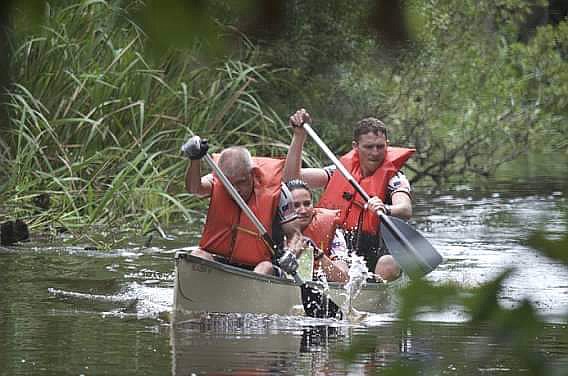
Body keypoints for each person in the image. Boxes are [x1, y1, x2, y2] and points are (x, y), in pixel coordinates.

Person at [284, 109, 415, 282]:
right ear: (355, 147)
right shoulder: (339, 171)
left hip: (376, 253)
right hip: (341, 251)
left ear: (387, 145)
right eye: (369, 147)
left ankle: (374, 293)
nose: (375, 152)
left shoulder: (395, 178)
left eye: (380, 146)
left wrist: (386, 208)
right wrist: (299, 136)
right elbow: (292, 179)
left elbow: (405, 209)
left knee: (388, 263)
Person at [182, 136, 286, 276]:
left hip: (261, 267)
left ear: (252, 174)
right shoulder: (217, 179)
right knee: (197, 255)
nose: (236, 189)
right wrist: (194, 159)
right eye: (230, 184)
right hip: (223, 260)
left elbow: (295, 233)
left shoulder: (278, 191)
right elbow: (195, 189)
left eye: (241, 182)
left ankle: (251, 295)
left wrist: (292, 253)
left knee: (264, 268)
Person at [282, 179, 349, 283]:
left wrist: (317, 253)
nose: (303, 210)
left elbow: (344, 278)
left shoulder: (333, 233)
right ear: (284, 208)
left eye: (307, 204)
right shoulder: (274, 230)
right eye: (296, 205)